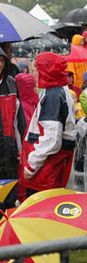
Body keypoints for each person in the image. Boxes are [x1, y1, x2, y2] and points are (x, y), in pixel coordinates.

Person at [19, 52, 76, 193]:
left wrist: (31, 165)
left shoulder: (53, 95)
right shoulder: (58, 90)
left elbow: (51, 140)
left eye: (35, 70)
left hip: (46, 169)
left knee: (38, 210)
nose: (33, 74)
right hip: (49, 166)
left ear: (45, 71)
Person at [0, 47, 25, 180]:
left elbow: (19, 121)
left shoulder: (11, 84)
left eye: (2, 60)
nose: (0, 64)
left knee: (9, 191)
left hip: (9, 147)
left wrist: (22, 149)